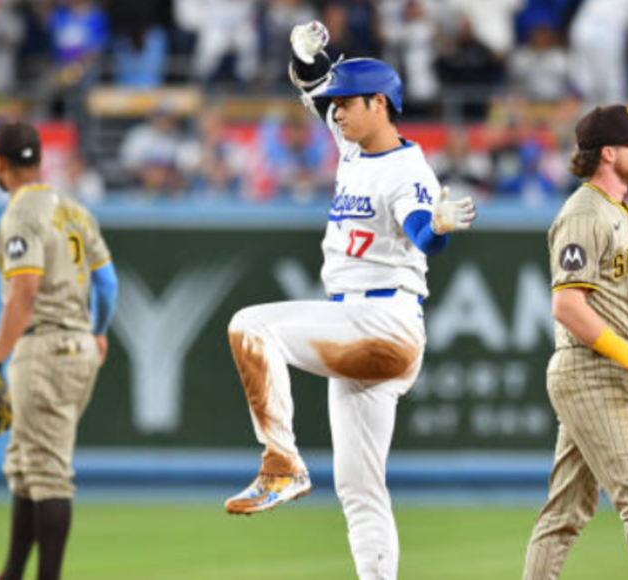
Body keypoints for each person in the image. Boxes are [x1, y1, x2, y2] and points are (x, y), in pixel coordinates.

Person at [223, 21, 476, 580]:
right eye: (334, 105)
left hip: (383, 320)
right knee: (359, 488)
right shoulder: (354, 145)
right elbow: (315, 84)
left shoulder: (409, 170)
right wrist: (305, 56)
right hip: (358, 323)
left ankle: (281, 463)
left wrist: (438, 224)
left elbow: (424, 237)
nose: (335, 112)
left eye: (346, 104)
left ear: (379, 104)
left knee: (250, 327)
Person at [523, 106, 628, 580]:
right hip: (591, 372)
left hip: (598, 371)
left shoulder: (618, 209)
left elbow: (618, 300)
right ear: (608, 153)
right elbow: (568, 306)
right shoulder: (584, 213)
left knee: (565, 513)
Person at [0, 122, 118, 580]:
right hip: (79, 346)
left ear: (0, 163)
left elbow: (25, 293)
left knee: (47, 470)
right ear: (37, 160)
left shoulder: (21, 213)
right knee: (25, 462)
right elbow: (108, 283)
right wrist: (99, 330)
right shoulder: (75, 210)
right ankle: (11, 573)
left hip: (45, 346)